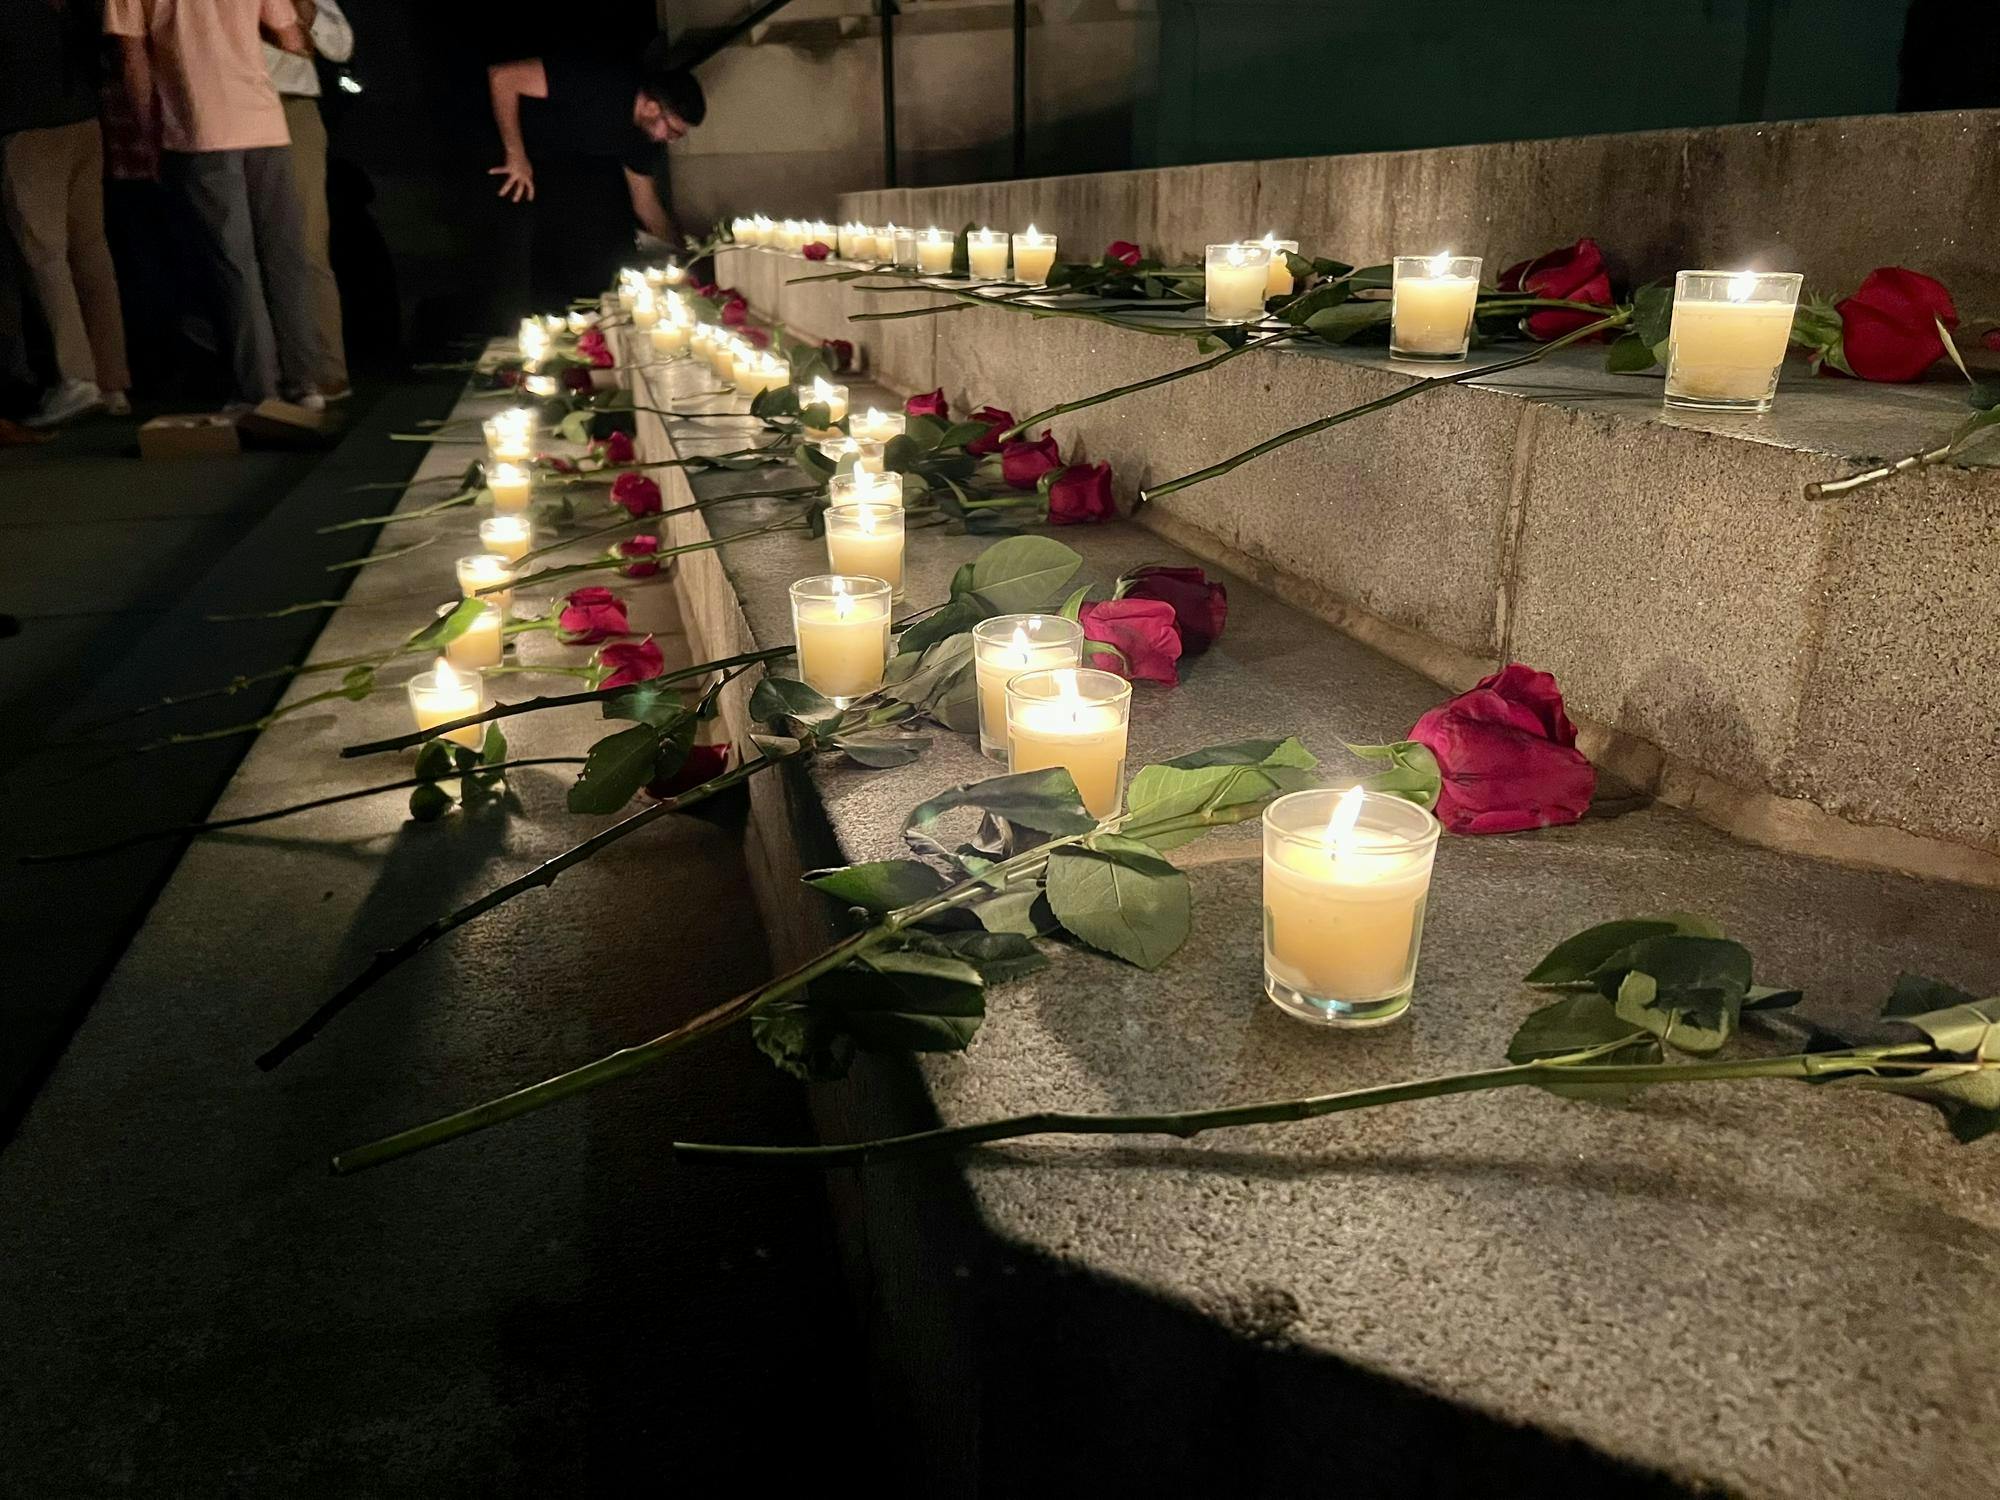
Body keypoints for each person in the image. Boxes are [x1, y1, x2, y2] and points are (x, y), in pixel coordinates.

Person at [105, 0, 328, 411]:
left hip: (200, 125)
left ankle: (258, 389)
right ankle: (304, 381)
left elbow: (133, 57)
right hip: (265, 122)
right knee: (285, 258)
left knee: (232, 264)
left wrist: (148, 134)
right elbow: (292, 37)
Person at [485, 38, 705, 306]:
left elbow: (645, 203)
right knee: (510, 256)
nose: (670, 140)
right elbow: (503, 77)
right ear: (651, 107)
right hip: (508, 146)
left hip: (559, 170)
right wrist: (515, 154)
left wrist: (684, 258)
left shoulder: (644, 139)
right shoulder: (602, 81)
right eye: (672, 130)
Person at [0, 0, 132, 428]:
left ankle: (75, 378)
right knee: (92, 254)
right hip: (82, 118)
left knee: (45, 255)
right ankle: (112, 381)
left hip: (26, 125)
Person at [262, 0, 353, 400]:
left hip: (291, 101)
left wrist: (302, 9)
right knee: (243, 248)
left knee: (306, 241)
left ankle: (325, 370)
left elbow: (340, 44)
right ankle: (267, 375)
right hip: (223, 100)